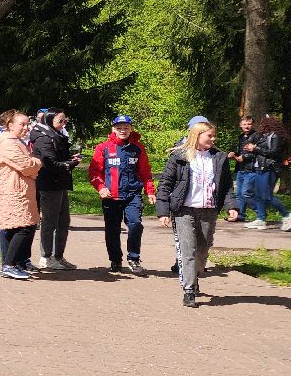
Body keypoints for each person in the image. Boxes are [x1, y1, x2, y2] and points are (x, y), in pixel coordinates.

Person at [155, 120, 232, 308]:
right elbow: (165, 183)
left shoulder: (220, 158)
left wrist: (232, 205)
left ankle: (195, 277)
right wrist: (163, 211)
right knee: (187, 250)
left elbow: (226, 186)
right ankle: (189, 290)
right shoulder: (180, 157)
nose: (213, 139)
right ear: (197, 136)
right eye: (209, 136)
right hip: (183, 210)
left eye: (214, 136)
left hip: (209, 210)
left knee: (202, 251)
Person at [88, 114, 155, 275]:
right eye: (119, 128)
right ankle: (115, 259)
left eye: (126, 128)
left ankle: (133, 258)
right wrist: (101, 187)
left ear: (131, 129)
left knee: (135, 225)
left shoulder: (138, 148)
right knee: (112, 230)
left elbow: (145, 172)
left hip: (132, 195)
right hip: (111, 197)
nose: (123, 131)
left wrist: (150, 191)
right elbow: (94, 172)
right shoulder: (103, 148)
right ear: (113, 129)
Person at [0, 111, 42, 280]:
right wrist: (37, 162)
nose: (26, 128)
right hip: (11, 191)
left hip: (19, 190)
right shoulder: (8, 144)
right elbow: (27, 166)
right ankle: (9, 265)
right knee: (24, 227)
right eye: (22, 124)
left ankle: (15, 262)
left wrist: (31, 165)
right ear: (10, 125)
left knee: (15, 227)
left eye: (28, 124)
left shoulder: (16, 142)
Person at [29, 109, 79, 270]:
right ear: (50, 120)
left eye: (65, 121)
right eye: (61, 121)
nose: (64, 124)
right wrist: (70, 164)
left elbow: (58, 158)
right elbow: (49, 163)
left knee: (64, 221)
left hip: (60, 183)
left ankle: (58, 256)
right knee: (50, 221)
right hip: (50, 183)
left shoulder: (57, 135)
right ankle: (45, 257)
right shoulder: (43, 138)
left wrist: (70, 159)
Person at [253, 115, 288, 229]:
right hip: (261, 167)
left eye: (264, 124)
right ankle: (260, 218)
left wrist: (255, 149)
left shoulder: (276, 136)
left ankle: (287, 215)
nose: (262, 126)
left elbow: (274, 153)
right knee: (259, 194)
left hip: (269, 168)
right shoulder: (266, 136)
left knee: (266, 195)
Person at [229, 116, 262, 226]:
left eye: (249, 124)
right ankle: (240, 215)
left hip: (251, 169)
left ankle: (261, 213)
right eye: (245, 124)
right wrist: (233, 154)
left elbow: (258, 152)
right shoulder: (240, 137)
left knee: (246, 193)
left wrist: (245, 157)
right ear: (240, 125)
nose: (247, 126)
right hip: (240, 169)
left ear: (252, 125)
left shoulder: (257, 136)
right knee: (239, 194)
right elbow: (237, 150)